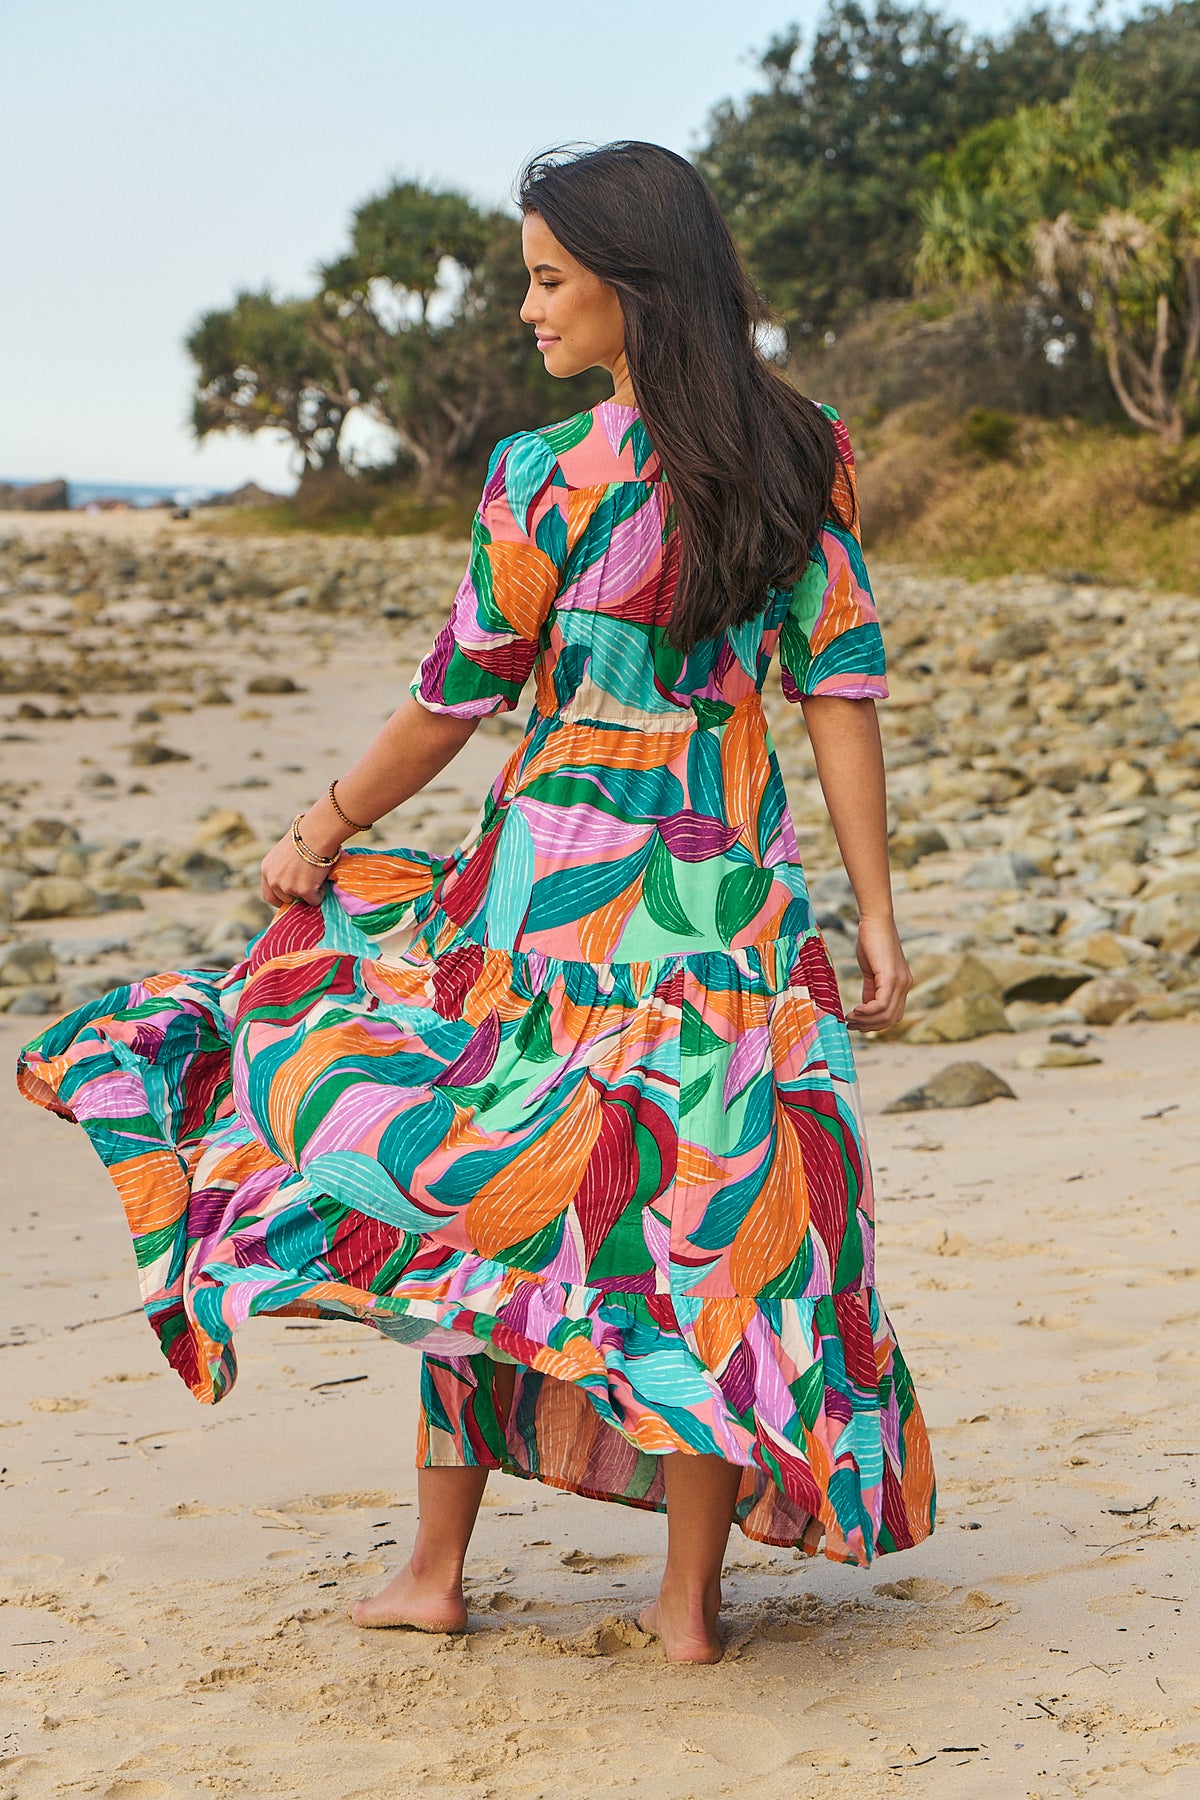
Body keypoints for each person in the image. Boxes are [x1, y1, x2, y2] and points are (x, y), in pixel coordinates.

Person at [17, 140, 934, 1664]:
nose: (528, 308)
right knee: (705, 1236)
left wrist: (324, 825)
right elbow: (838, 688)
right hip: (726, 915)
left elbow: (455, 698)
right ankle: (687, 1608)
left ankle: (435, 1569)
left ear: (635, 285)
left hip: (546, 914)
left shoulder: (548, 476)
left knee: (487, 1210)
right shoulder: (801, 448)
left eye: (549, 279)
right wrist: (875, 910)